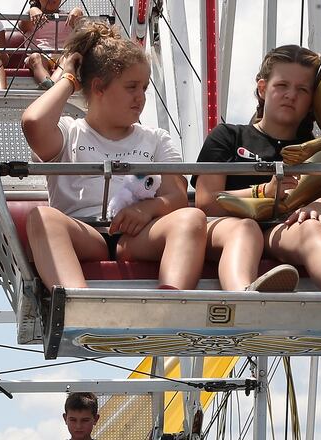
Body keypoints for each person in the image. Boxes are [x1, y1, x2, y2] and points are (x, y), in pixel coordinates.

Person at [22, 21, 207, 292]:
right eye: (131, 87)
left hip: (138, 235)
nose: (140, 97)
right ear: (98, 87)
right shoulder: (68, 133)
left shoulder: (156, 139)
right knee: (41, 217)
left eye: (144, 88)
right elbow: (33, 122)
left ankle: (171, 303)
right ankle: (77, 305)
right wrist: (68, 79)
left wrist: (148, 209)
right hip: (84, 233)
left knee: (192, 219)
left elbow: (177, 197)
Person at [192, 44, 321, 293]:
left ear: (312, 100)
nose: (291, 95)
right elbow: (206, 203)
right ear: (263, 88)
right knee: (247, 230)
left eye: (302, 89)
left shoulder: (313, 148)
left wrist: (316, 208)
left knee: (310, 227)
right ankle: (242, 293)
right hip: (227, 226)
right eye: (282, 86)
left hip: (282, 227)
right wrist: (265, 191)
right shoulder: (227, 136)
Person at [18, 0, 84, 89]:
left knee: (68, 58)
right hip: (39, 57)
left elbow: (83, 29)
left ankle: (50, 87)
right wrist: (32, 10)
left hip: (62, 56)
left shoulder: (69, 17)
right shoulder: (31, 17)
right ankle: (52, 87)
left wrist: (78, 11)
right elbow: (22, 26)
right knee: (36, 57)